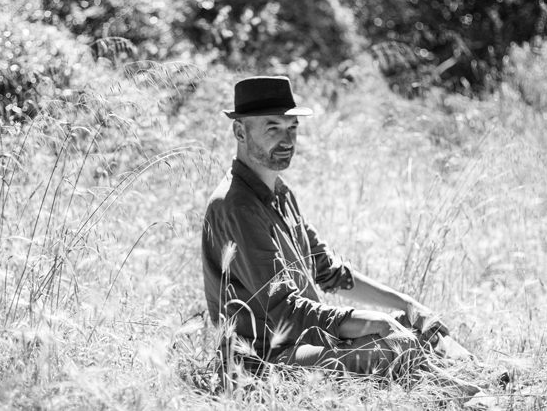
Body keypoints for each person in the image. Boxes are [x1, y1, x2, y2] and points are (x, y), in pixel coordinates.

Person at [201, 76, 483, 399]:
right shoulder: (235, 205)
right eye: (272, 128)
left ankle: (488, 380)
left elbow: (330, 271)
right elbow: (285, 312)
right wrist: (370, 323)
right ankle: (471, 396)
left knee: (411, 323)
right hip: (264, 365)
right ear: (240, 131)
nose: (287, 140)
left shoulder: (279, 192)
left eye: (292, 128)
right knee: (389, 347)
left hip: (304, 344)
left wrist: (409, 304)